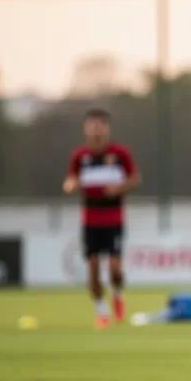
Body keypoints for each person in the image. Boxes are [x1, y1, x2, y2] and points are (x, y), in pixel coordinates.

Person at [64, 109, 140, 329]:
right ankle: (101, 311)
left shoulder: (120, 153)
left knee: (115, 269)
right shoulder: (80, 156)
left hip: (114, 218)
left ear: (108, 128)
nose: (97, 129)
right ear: (86, 129)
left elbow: (135, 179)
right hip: (90, 220)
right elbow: (70, 180)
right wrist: (70, 185)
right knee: (93, 267)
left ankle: (117, 293)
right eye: (92, 125)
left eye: (101, 125)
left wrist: (120, 187)